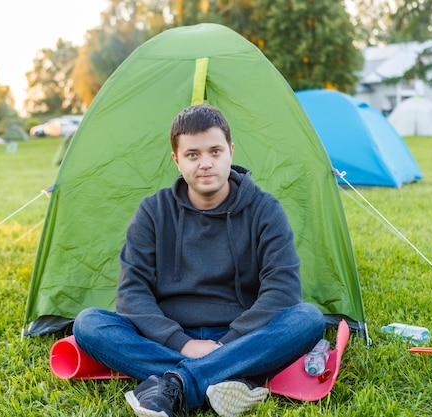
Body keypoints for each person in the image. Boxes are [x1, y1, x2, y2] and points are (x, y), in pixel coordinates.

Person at [72, 104, 325, 417]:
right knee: (89, 323)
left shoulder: (265, 209)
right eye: (192, 155)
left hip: (240, 338)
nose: (206, 164)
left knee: (307, 319)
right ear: (176, 159)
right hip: (169, 339)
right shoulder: (153, 211)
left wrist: (228, 344)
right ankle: (227, 377)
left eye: (215, 151)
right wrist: (183, 344)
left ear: (230, 151)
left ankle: (177, 383)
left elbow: (282, 289)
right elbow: (132, 293)